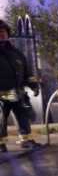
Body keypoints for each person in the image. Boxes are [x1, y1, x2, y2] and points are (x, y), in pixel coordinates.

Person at [0, 19, 40, 151]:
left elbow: (26, 71)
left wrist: (33, 85)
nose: (2, 34)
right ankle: (0, 144)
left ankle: (25, 140)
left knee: (22, 116)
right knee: (0, 119)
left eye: (3, 31)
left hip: (17, 93)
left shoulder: (16, 53)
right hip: (1, 95)